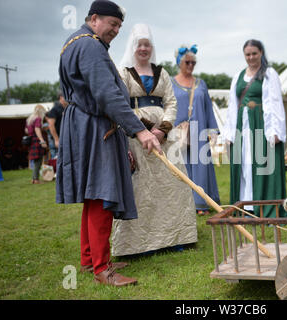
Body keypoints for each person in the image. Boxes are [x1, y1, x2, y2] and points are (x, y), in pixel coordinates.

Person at [57, 0, 162, 287]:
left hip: (85, 124)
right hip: (94, 127)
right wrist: (140, 131)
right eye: (111, 24)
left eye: (119, 26)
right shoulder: (90, 46)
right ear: (93, 19)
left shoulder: (73, 42)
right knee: (103, 193)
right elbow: (107, 95)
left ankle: (91, 258)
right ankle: (103, 268)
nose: (115, 30)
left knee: (94, 195)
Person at [111, 23, 197, 257]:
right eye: (140, 44)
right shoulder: (124, 72)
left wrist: (163, 129)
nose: (144, 49)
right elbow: (121, 105)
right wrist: (144, 129)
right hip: (136, 136)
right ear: (133, 46)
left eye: (147, 44)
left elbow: (171, 102)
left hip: (165, 137)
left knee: (172, 184)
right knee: (142, 188)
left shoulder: (163, 73)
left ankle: (177, 236)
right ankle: (138, 244)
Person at [223, 39, 287, 218]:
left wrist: (275, 131)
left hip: (260, 123)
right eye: (247, 54)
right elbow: (231, 105)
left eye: (254, 53)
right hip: (241, 125)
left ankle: (265, 205)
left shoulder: (269, 73)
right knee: (245, 163)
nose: (251, 57)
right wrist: (229, 132)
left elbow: (275, 103)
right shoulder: (238, 76)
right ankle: (246, 204)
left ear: (261, 53)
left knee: (262, 163)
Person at [171, 44, 220, 215]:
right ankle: (182, 204)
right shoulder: (170, 83)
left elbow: (208, 108)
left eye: (193, 63)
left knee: (201, 166)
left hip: (199, 131)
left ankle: (201, 203)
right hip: (179, 132)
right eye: (187, 62)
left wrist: (212, 130)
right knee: (181, 166)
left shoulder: (201, 84)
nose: (190, 66)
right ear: (179, 63)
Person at [25, 104, 47, 184]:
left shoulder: (29, 119)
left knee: (35, 161)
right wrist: (42, 140)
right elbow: (37, 129)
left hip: (31, 140)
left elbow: (26, 130)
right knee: (38, 160)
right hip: (36, 140)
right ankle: (36, 179)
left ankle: (34, 179)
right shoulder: (37, 119)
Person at [45, 90, 68, 159]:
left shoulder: (66, 108)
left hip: (64, 139)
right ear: (61, 97)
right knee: (57, 161)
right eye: (66, 96)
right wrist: (56, 140)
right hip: (57, 139)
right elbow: (51, 125)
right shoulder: (55, 109)